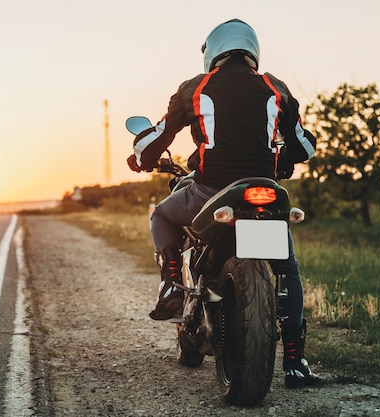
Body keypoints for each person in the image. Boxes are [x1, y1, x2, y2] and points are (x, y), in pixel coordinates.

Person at [126, 18, 320, 388]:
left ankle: (170, 285)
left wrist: (141, 159)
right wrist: (284, 161)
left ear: (211, 52)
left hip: (209, 191)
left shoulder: (195, 88)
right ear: (252, 51)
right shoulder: (275, 88)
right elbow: (302, 145)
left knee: (162, 215)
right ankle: (295, 362)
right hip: (265, 192)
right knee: (288, 268)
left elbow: (157, 135)